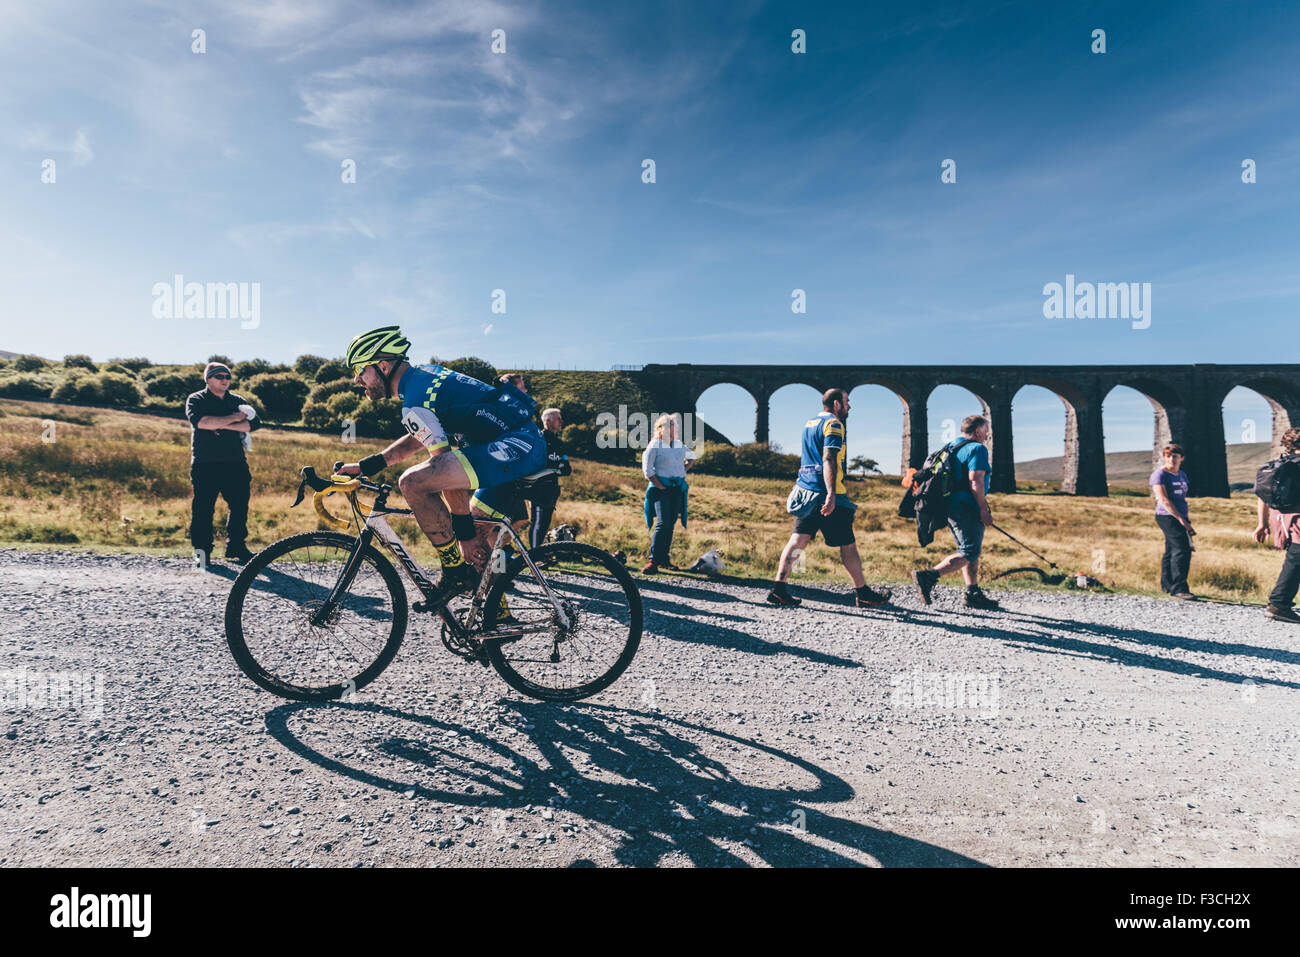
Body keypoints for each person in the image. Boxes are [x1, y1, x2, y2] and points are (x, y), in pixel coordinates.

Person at [336, 326, 547, 601]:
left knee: (412, 483)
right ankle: (495, 621)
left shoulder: (415, 399)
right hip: (517, 445)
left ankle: (454, 574)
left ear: (384, 366)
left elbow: (443, 466)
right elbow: (418, 437)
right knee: (477, 548)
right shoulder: (422, 379)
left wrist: (463, 533)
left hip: (515, 445)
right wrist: (367, 466)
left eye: (361, 370)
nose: (357, 379)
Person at [768, 388, 893, 608]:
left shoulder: (810, 424)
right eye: (847, 402)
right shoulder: (834, 424)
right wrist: (832, 494)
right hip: (827, 493)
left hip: (806, 490)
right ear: (836, 404)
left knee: (798, 540)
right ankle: (863, 593)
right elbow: (828, 459)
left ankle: (778, 588)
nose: (849, 407)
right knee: (848, 545)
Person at [911, 415, 1001, 610]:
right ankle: (928, 577)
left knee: (969, 548)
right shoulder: (977, 448)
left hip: (950, 505)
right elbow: (975, 480)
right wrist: (983, 508)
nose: (988, 435)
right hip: (967, 506)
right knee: (970, 550)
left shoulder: (951, 447)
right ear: (978, 431)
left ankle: (972, 592)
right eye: (986, 430)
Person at [186, 361, 260, 566]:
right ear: (208, 380)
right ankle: (202, 552)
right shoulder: (196, 399)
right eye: (220, 377)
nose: (225, 380)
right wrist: (236, 419)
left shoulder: (237, 400)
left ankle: (236, 546)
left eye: (227, 377)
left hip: (235, 462)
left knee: (239, 506)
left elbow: (254, 424)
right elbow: (201, 422)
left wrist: (221, 424)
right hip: (205, 463)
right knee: (203, 508)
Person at [1253, 427, 1300, 622]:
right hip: (1298, 518)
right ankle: (1279, 604)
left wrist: (1261, 524)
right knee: (1296, 560)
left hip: (1280, 519)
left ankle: (1279, 602)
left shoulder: (1279, 465)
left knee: (1295, 559)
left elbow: (1262, 497)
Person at [641, 413, 695, 574]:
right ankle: (653, 560)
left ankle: (664, 559)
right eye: (672, 425)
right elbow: (647, 470)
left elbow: (691, 457)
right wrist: (660, 486)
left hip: (677, 488)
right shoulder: (655, 445)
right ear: (663, 428)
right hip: (661, 489)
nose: (675, 427)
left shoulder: (679, 445)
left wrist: (683, 469)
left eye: (675, 425)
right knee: (663, 523)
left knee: (670, 523)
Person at [1150, 443, 1196, 600]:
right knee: (1182, 549)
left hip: (1181, 516)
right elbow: (1164, 499)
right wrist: (1182, 520)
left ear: (1182, 458)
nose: (1172, 459)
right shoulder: (1160, 475)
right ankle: (1179, 588)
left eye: (1175, 456)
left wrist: (1184, 518)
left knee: (1171, 551)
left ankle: (1168, 586)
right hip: (1167, 516)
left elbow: (1181, 497)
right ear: (1164, 457)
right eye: (1168, 456)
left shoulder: (1182, 475)